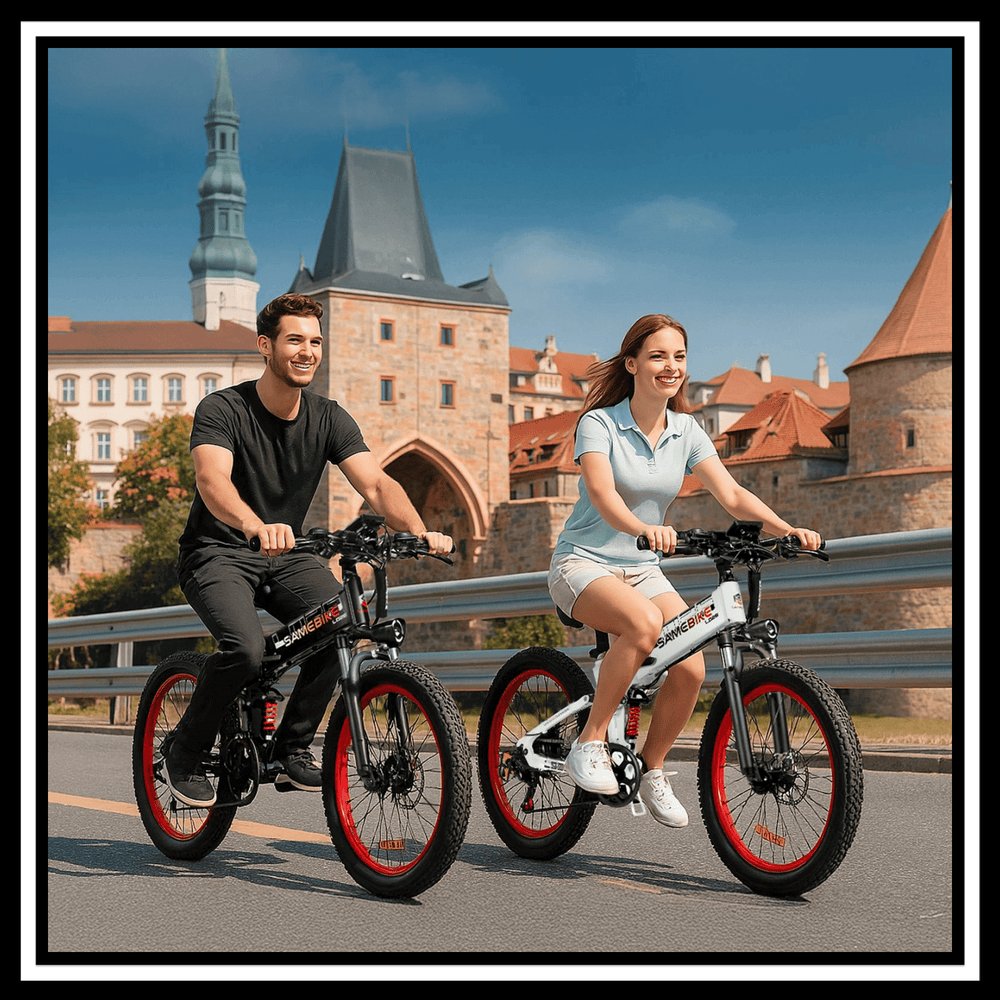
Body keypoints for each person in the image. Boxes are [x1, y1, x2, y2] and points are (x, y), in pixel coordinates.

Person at [164, 293, 453, 808]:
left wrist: (420, 530)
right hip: (217, 552)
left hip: (287, 552)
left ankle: (291, 746)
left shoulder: (328, 417)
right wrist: (254, 524)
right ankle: (183, 753)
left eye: (315, 341)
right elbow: (212, 481)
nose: (307, 351)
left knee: (343, 620)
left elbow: (378, 485)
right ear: (265, 346)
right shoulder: (223, 408)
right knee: (247, 651)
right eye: (295, 340)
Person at [548, 314, 822, 827]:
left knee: (692, 662)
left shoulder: (687, 430)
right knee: (644, 626)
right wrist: (642, 528)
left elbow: (734, 494)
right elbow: (604, 496)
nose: (670, 367)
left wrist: (787, 528)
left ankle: (648, 768)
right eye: (657, 356)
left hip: (641, 569)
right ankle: (588, 743)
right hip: (581, 564)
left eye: (678, 357)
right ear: (632, 364)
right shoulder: (600, 424)